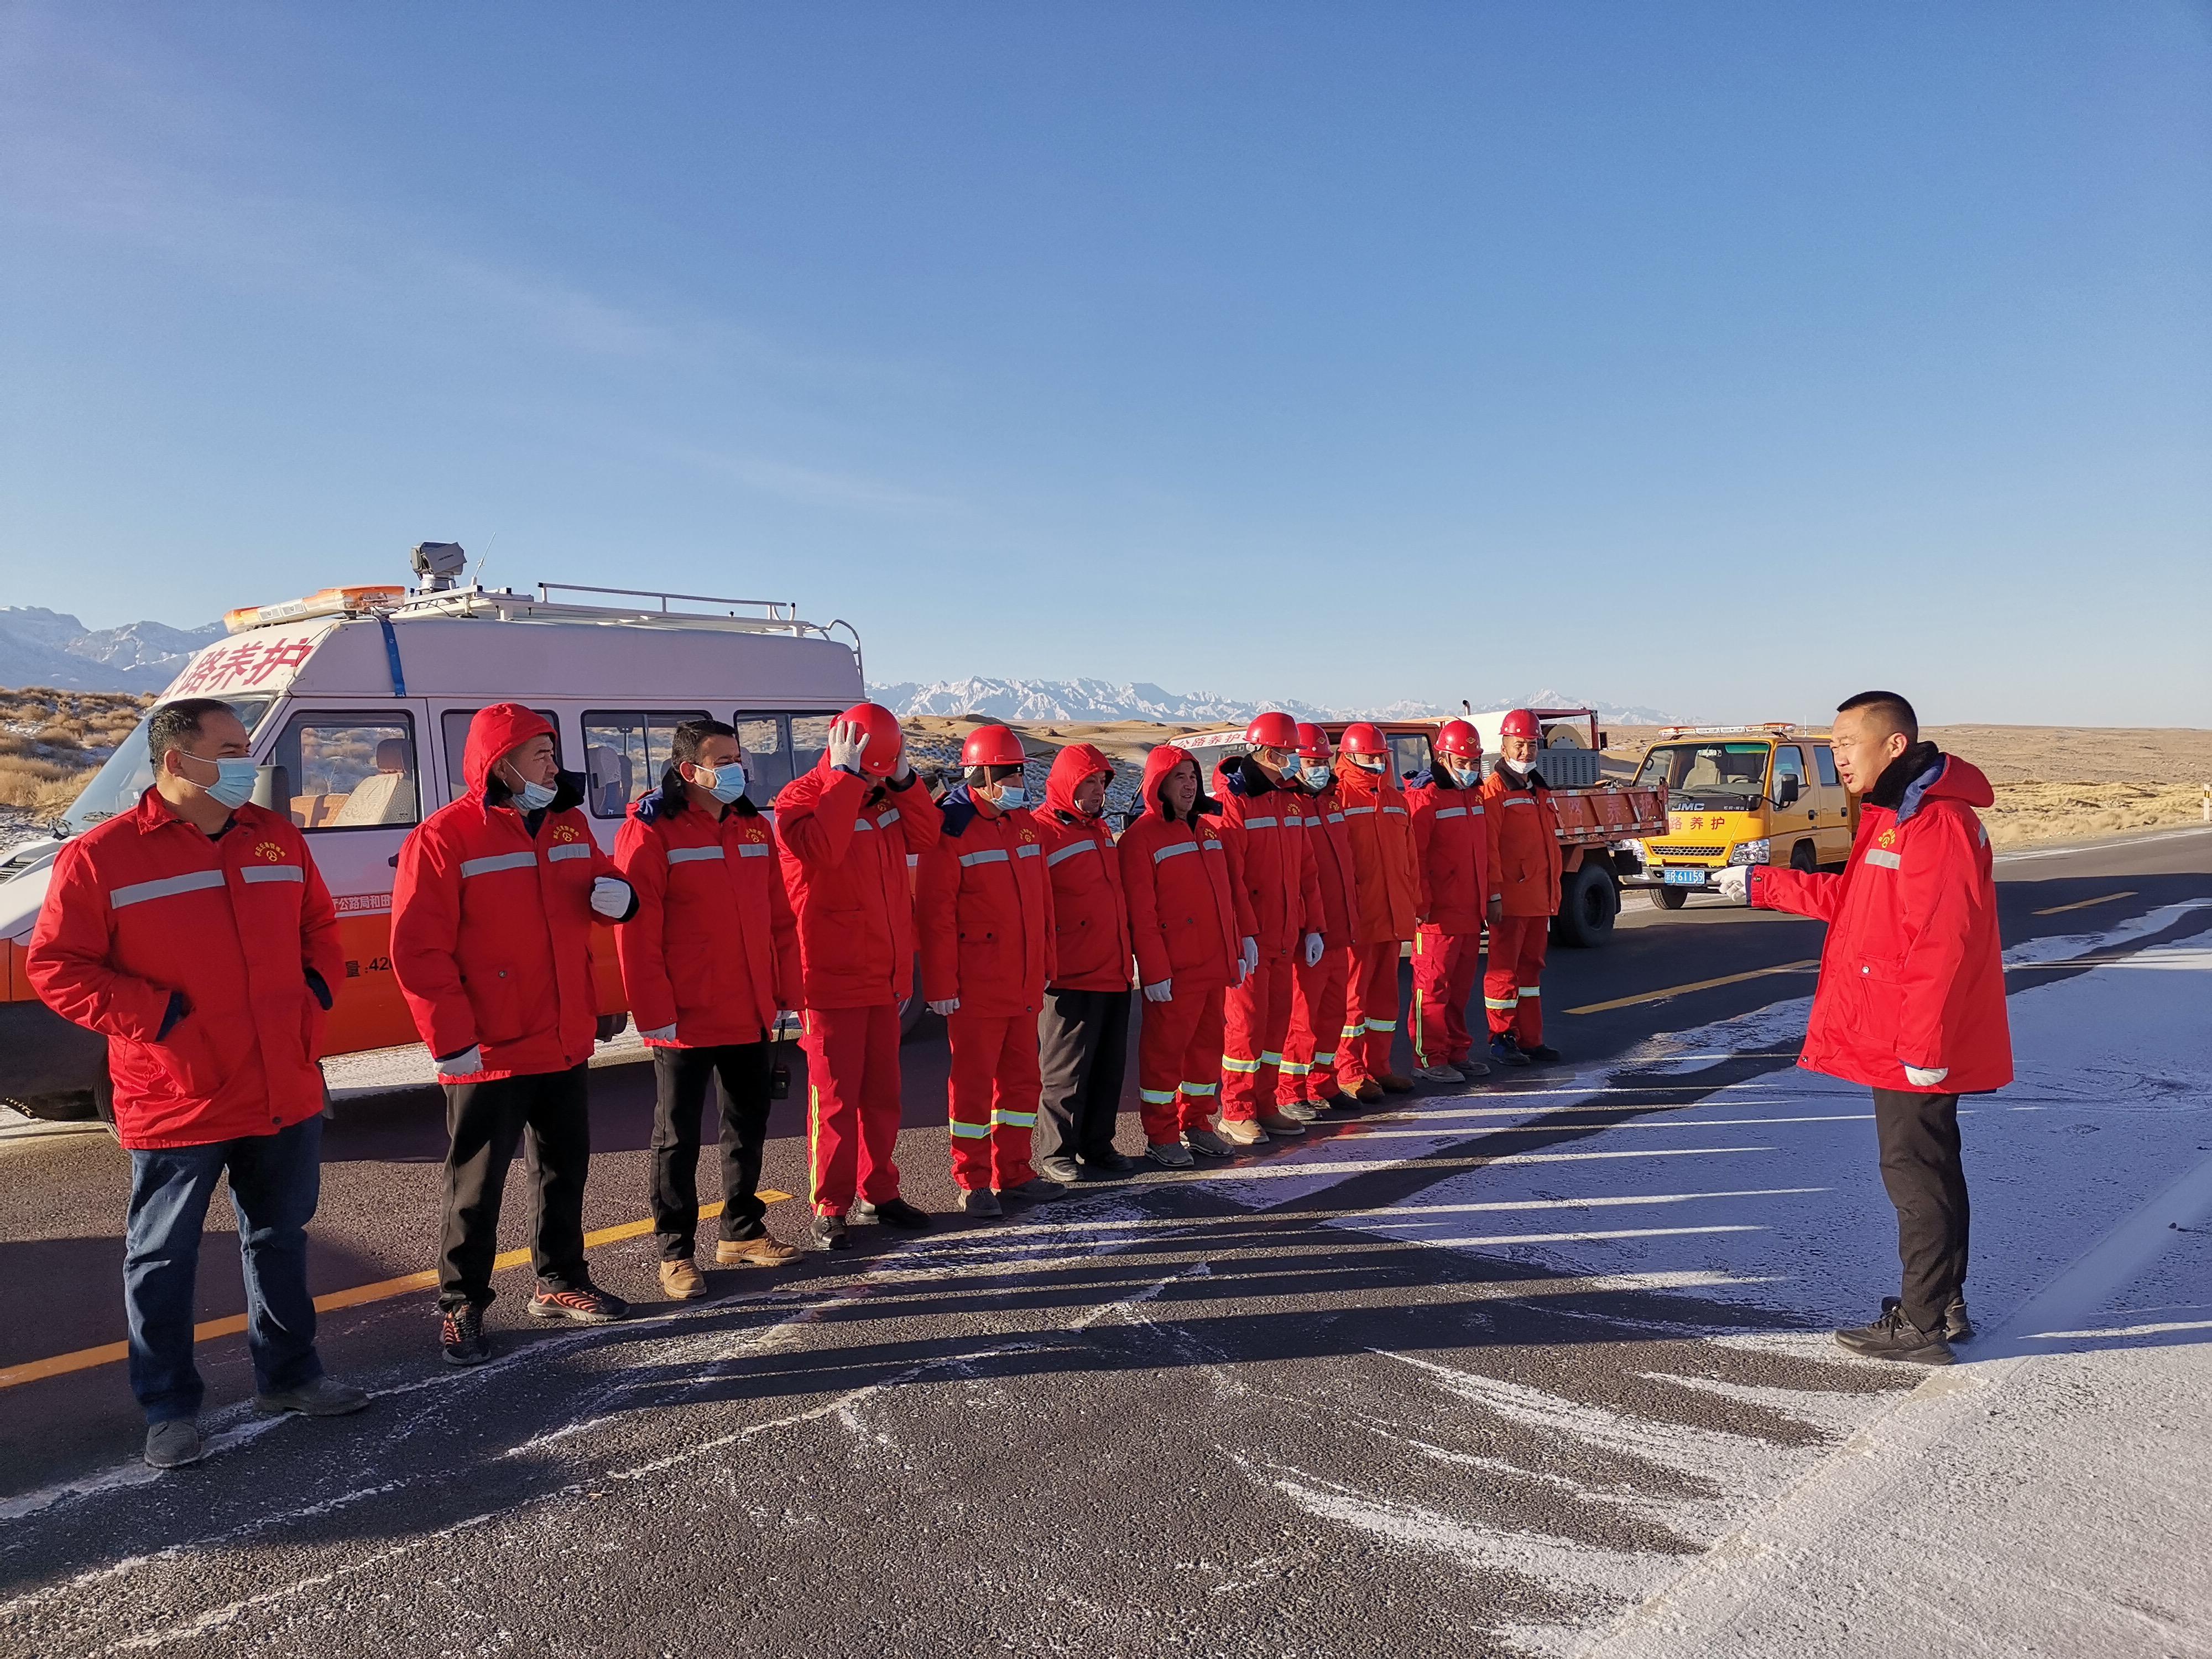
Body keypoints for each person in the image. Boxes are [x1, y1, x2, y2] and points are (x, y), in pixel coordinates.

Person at [27, 698, 370, 1469]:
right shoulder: (102, 857)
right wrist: (160, 1017)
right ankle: (169, 1409)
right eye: (233, 748)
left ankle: (290, 1377)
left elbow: (320, 927)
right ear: (178, 762)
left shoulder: (274, 839)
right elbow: (56, 967)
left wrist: (315, 991)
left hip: (281, 1082)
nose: (252, 762)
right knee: (162, 1257)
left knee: (279, 1237)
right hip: (178, 1092)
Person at [1718, 692, 2009, 1365]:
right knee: (1926, 1167)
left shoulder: (1935, 824)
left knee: (1915, 1172)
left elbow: (1943, 944)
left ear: (1895, 745)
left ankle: (1922, 1323)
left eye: (1848, 742)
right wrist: (1762, 885)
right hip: (1900, 1032)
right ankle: (1942, 1304)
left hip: (1913, 1037)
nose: (1837, 755)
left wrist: (1925, 1050)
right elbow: (1853, 905)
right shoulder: (1894, 815)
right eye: (1834, 742)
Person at [392, 703, 639, 1366]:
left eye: (553, 753)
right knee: (476, 1185)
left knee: (563, 1169)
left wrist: (618, 893)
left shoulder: (567, 824)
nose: (553, 765)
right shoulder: (445, 838)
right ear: (501, 764)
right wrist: (450, 1039)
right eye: (540, 755)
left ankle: (559, 1281)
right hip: (488, 1046)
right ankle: (461, 1304)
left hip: (560, 1034)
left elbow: (598, 880)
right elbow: (418, 950)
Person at [613, 719, 802, 1301]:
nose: (733, 769)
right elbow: (636, 934)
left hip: (747, 1007)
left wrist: (787, 992)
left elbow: (779, 917)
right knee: (677, 1138)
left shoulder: (751, 826)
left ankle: (741, 1229)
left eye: (736, 757)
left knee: (747, 1125)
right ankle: (675, 1253)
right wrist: (653, 1012)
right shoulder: (651, 832)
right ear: (686, 768)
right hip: (685, 1015)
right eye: (720, 759)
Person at [774, 701, 942, 1249]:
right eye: (871, 766)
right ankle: (831, 1204)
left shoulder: (884, 797)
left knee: (883, 1095)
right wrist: (845, 781)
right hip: (829, 977)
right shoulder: (802, 799)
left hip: (883, 975)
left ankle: (880, 1192)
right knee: (836, 1101)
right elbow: (821, 851)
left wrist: (904, 780)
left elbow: (928, 835)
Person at [918, 724, 1063, 1217]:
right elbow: (935, 915)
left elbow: (1042, 902)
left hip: (1022, 981)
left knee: (1023, 1083)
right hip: (976, 986)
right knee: (975, 1088)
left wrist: (1048, 961)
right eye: (1006, 773)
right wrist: (939, 984)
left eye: (1020, 771)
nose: (1017, 780)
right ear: (979, 775)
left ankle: (1016, 1170)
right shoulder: (951, 829)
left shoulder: (1024, 824)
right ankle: (973, 1179)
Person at [1119, 745, 1254, 1166]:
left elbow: (1232, 893)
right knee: (1164, 1058)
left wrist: (1243, 940)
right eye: (1179, 777)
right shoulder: (1140, 839)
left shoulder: (1209, 831)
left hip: (1214, 967)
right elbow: (1141, 914)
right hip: (1175, 973)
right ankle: (1161, 1135)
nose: (1190, 784)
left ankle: (1196, 1124)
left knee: (1204, 1053)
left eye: (1193, 776)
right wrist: (1154, 970)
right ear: (1159, 784)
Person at [1211, 712, 1324, 1145]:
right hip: (1253, 940)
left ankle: (1265, 1102)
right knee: (1245, 1026)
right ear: (1266, 752)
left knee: (1277, 1023)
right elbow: (1232, 877)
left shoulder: (1290, 799)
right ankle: (1236, 1110)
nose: (1295, 760)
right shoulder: (1237, 802)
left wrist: (1313, 926)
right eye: (1289, 753)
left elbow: (1307, 871)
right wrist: (1245, 934)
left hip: (1287, 934)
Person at [1031, 743, 1137, 1182]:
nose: (1098, 792)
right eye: (1088, 782)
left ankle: (1098, 1143)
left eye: (1101, 783)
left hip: (1113, 970)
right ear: (1066, 784)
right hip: (1070, 974)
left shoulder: (1099, 832)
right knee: (1064, 1072)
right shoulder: (1041, 831)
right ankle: (1057, 1151)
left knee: (1108, 1066)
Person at [1331, 722, 1421, 1102]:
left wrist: (1413, 904)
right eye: (1370, 757)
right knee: (1353, 999)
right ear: (1349, 757)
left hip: (1392, 914)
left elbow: (1410, 859)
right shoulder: (1338, 799)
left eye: (1381, 757)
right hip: (1359, 918)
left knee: (1385, 1000)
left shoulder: (1394, 799)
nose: (1378, 763)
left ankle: (1378, 1066)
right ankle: (1348, 1070)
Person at [1279, 723, 1363, 1118]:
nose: (1320, 769)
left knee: (1333, 1014)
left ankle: (1324, 1081)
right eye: (1312, 762)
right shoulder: (1289, 806)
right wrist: (1308, 924)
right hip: (1309, 931)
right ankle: (1290, 1089)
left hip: (1340, 929)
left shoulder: (1331, 803)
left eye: (1324, 762)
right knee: (1303, 1016)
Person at [1405, 719, 1493, 1084]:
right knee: (1433, 987)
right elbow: (1416, 858)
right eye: (1463, 762)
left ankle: (1458, 1052)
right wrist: (1422, 904)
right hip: (1438, 915)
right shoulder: (1425, 798)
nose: (1471, 770)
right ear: (1443, 757)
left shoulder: (1473, 796)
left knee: (1459, 989)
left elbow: (1484, 854)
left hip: (1469, 912)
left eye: (1475, 763)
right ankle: (1430, 1058)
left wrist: (1489, 899)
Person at [1479, 708, 1564, 1067]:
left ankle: (1531, 1038)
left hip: (1538, 898)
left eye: (1532, 746)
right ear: (1503, 746)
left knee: (1531, 971)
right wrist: (1494, 895)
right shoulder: (1495, 791)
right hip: (1512, 901)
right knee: (1504, 972)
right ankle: (1502, 1038)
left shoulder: (1538, 789)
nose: (1526, 753)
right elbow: (1489, 849)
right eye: (1519, 745)